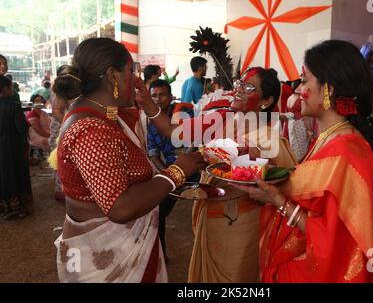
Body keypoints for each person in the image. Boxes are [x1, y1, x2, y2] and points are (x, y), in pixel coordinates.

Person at [53, 38, 206, 283]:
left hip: (125, 245)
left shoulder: (107, 110)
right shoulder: (91, 130)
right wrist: (177, 172)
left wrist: (146, 101)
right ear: (113, 76)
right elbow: (120, 207)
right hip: (107, 253)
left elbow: (170, 131)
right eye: (131, 72)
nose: (135, 80)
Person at [232, 40, 373, 283]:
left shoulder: (347, 151)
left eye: (304, 81)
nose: (295, 92)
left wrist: (277, 199)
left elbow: (335, 239)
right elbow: (312, 196)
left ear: (330, 89)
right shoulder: (329, 137)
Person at [187, 67, 298, 283]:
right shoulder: (227, 125)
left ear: (265, 101)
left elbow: (293, 185)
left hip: (239, 224)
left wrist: (261, 168)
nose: (238, 90)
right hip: (211, 219)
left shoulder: (269, 139)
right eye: (238, 83)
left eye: (248, 87)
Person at [147, 79, 194, 261]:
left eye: (162, 95)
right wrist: (169, 175)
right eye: (154, 96)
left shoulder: (183, 112)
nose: (158, 99)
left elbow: (194, 144)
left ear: (171, 96)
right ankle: (161, 254)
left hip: (192, 167)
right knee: (158, 210)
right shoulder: (151, 121)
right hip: (171, 170)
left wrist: (180, 170)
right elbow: (153, 153)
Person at [0, 75, 33, 219]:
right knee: (13, 174)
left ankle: (4, 207)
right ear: (6, 89)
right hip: (11, 147)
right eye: (10, 87)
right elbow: (21, 127)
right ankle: (16, 208)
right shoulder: (13, 106)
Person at [48, 65, 82, 200]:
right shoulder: (59, 92)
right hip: (62, 127)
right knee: (61, 160)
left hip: (67, 125)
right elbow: (56, 111)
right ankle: (63, 191)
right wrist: (70, 125)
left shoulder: (75, 92)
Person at [27, 94, 51, 165]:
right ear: (33, 103)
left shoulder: (44, 113)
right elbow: (38, 130)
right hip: (35, 136)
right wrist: (50, 136)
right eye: (37, 101)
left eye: (41, 100)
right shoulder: (31, 114)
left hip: (45, 133)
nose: (39, 102)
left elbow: (49, 125)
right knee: (52, 141)